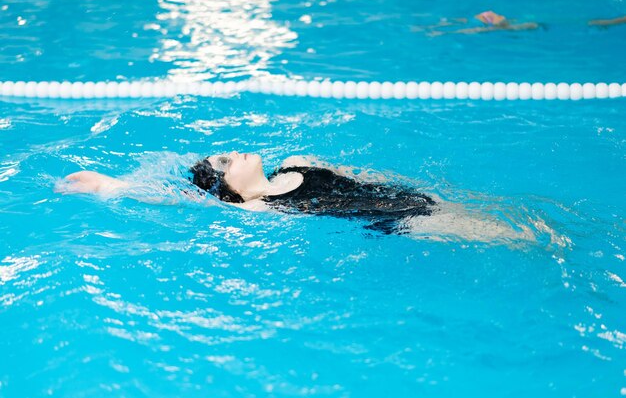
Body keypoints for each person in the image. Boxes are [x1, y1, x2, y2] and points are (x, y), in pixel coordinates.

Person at [58, 151, 536, 243]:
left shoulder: (296, 164)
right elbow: (178, 201)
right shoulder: (259, 209)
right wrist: (111, 185)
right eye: (226, 164)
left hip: (400, 197)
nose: (233, 153)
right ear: (231, 191)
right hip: (399, 223)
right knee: (525, 240)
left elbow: (358, 175)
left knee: (521, 221)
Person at [422, 10, 539, 36]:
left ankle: (431, 27)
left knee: (461, 21)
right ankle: (435, 29)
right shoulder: (507, 27)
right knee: (465, 25)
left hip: (490, 17)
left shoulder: (509, 25)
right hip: (491, 20)